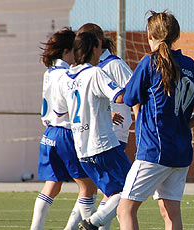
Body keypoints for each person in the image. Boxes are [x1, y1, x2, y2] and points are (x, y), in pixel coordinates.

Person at [116, 10, 194, 230]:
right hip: (181, 153)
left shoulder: (149, 62)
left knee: (125, 210)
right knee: (170, 213)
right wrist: (188, 123)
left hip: (154, 151)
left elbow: (130, 97)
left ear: (149, 36)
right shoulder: (190, 65)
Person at [54, 32, 131, 230]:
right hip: (104, 144)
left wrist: (99, 113)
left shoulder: (66, 77)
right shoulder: (95, 73)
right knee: (132, 188)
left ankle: (86, 224)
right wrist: (141, 87)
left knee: (113, 194)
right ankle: (92, 223)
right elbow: (120, 96)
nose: (101, 51)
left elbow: (61, 110)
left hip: (82, 150)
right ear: (92, 49)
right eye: (99, 47)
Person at [30, 28, 97, 230]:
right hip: (67, 133)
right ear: (68, 51)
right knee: (89, 186)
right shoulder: (66, 75)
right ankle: (87, 226)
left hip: (49, 134)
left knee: (52, 186)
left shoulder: (49, 73)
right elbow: (73, 104)